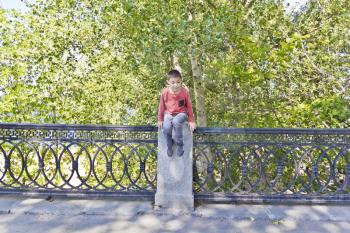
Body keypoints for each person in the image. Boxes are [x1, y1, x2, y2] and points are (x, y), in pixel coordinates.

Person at [157, 69, 196, 157]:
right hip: (169, 114)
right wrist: (160, 119)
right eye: (173, 82)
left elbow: (189, 106)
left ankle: (180, 145)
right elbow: (161, 106)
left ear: (181, 81)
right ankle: (169, 145)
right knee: (166, 127)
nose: (176, 85)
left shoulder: (184, 92)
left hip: (181, 113)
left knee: (176, 121)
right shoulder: (165, 92)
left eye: (178, 82)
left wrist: (191, 120)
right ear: (168, 82)